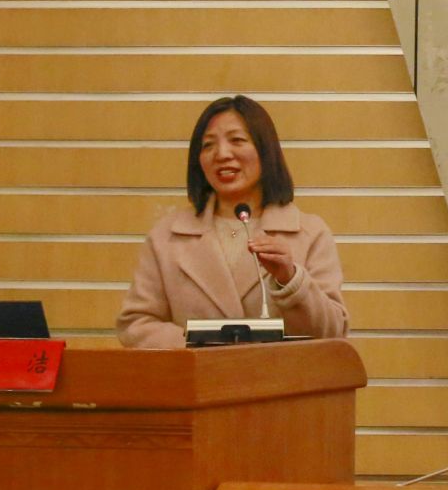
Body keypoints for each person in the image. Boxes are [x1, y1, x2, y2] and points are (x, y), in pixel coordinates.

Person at [117, 94, 348, 348]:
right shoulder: (166, 237)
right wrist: (204, 346)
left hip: (278, 375)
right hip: (197, 374)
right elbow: (136, 325)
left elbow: (332, 331)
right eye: (208, 145)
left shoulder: (310, 233)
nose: (222, 154)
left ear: (265, 150)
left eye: (237, 140)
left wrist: (291, 280)